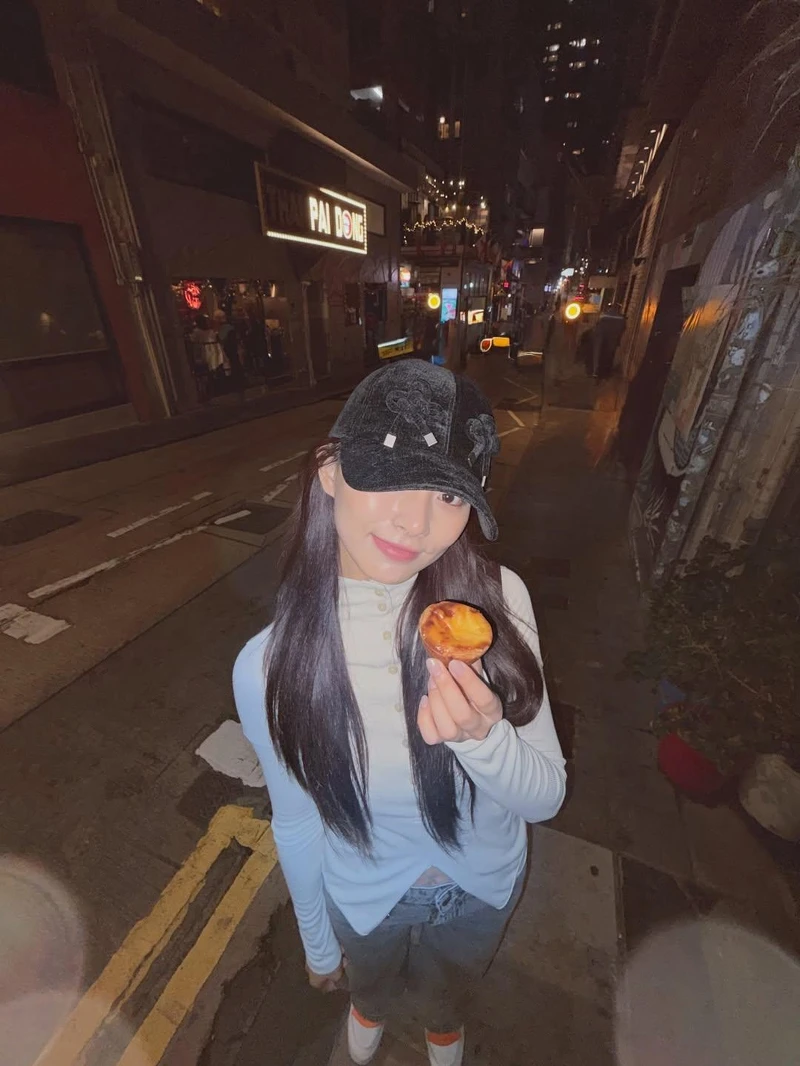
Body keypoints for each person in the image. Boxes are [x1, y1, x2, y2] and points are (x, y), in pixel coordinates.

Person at [232, 360, 566, 1066]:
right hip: (364, 894)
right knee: (372, 980)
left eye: (448, 493)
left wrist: (483, 737)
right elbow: (297, 820)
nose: (416, 522)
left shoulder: (497, 601)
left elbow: (545, 797)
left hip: (483, 885)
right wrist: (318, 945)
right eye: (392, 473)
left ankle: (443, 1029)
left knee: (452, 989)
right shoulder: (268, 666)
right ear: (329, 471)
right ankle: (370, 1009)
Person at [592, 303, 626, 380]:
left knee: (597, 351)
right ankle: (606, 372)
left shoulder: (603, 315)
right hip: (613, 337)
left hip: (601, 335)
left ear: (609, 308)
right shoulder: (621, 318)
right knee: (610, 353)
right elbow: (623, 329)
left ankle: (595, 371)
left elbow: (597, 325)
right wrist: (618, 339)